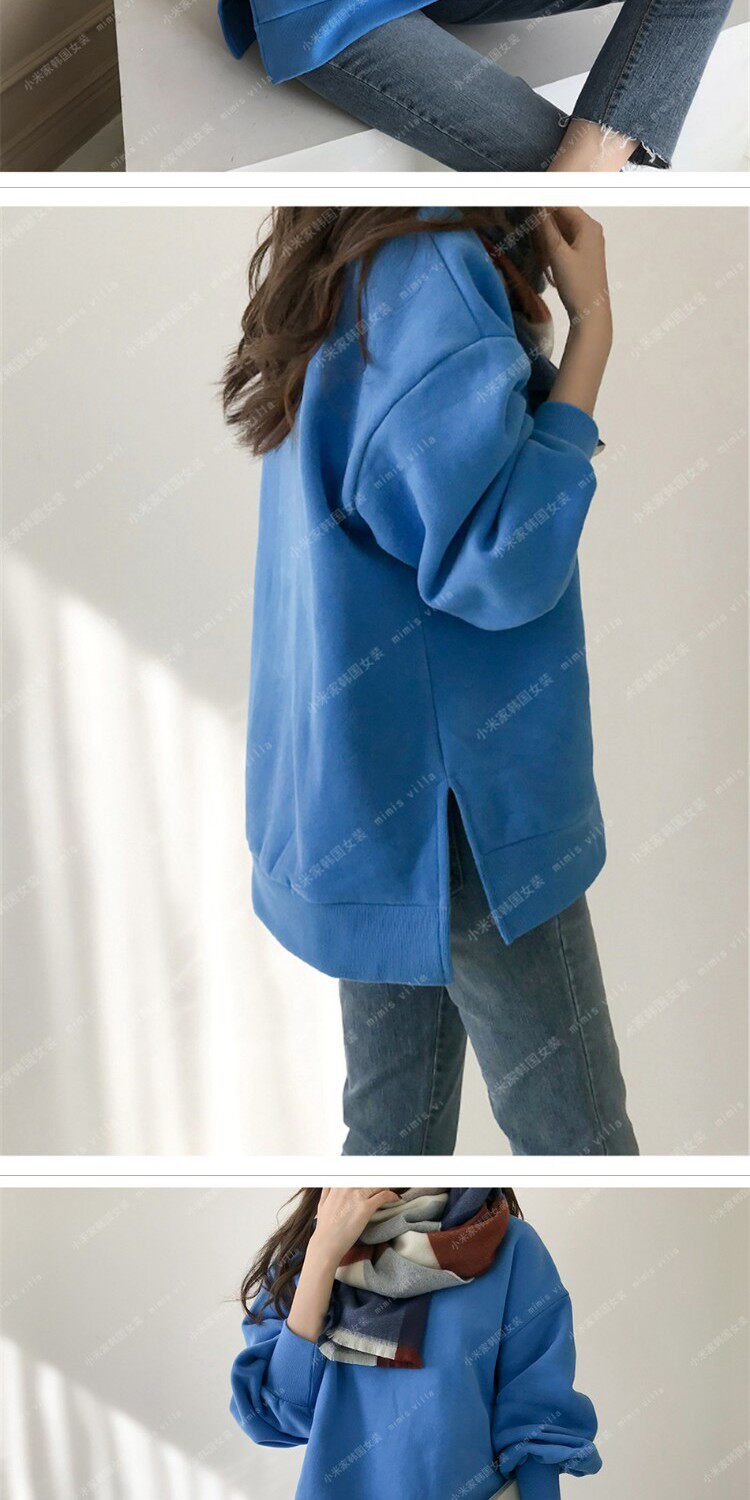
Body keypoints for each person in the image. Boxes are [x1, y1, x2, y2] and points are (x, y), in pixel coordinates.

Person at [223, 206, 638, 1155]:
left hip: (367, 807)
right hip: (462, 819)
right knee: (579, 1139)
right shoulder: (426, 270)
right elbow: (500, 558)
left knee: (389, 1138)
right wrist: (593, 329)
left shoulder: (341, 262)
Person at [231, 1186, 602, 1498]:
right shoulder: (305, 1254)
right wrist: (323, 1253)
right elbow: (279, 1416)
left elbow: (536, 1429)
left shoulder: (508, 1245)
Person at [218, 0, 732, 171]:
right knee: (554, 167)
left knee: (570, 174)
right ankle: (582, 178)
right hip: (331, 9)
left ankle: (588, 168)